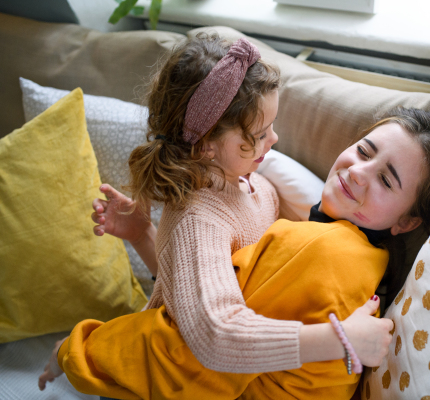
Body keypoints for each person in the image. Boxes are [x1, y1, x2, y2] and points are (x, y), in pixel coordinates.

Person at [39, 106, 430, 399]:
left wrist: (80, 350)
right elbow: (209, 306)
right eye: (364, 151)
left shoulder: (325, 250)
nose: (358, 172)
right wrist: (144, 237)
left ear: (406, 223)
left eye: (387, 180)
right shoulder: (350, 253)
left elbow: (194, 348)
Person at [38, 32, 393, 392]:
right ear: (207, 144)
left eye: (273, 126)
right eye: (259, 133)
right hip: (165, 380)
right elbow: (212, 333)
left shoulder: (259, 188)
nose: (274, 140)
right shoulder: (199, 218)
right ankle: (68, 355)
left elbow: (202, 291)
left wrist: (142, 235)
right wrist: (341, 339)